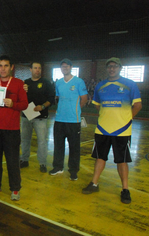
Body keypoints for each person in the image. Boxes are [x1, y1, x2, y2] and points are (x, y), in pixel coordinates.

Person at [82, 57, 142, 204]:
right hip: (102, 129)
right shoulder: (100, 86)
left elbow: (138, 105)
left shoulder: (130, 84)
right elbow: (97, 105)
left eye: (115, 66)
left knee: (122, 161)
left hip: (122, 131)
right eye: (109, 66)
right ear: (107, 68)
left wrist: (126, 119)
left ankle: (125, 189)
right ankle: (94, 183)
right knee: (100, 157)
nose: (112, 68)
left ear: (120, 68)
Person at [0, 55, 28, 201]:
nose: (3, 69)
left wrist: (13, 104)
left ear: (11, 67)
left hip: (12, 129)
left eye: (6, 66)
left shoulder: (19, 83)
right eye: (0, 66)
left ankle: (15, 189)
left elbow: (25, 105)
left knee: (12, 160)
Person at [49, 58, 88, 180]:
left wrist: (75, 109)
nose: (64, 68)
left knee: (74, 147)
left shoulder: (79, 81)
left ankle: (73, 170)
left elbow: (84, 99)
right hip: (59, 119)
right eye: (62, 67)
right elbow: (59, 98)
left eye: (67, 66)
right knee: (58, 145)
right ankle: (58, 167)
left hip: (73, 120)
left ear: (71, 67)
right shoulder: (59, 82)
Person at [20, 62, 55, 172]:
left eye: (39, 68)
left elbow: (51, 98)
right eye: (35, 68)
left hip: (41, 117)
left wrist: (43, 106)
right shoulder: (25, 83)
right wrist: (21, 90)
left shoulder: (46, 83)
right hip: (26, 116)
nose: (37, 70)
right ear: (30, 69)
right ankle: (24, 160)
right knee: (25, 140)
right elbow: (19, 98)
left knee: (42, 141)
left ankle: (42, 163)